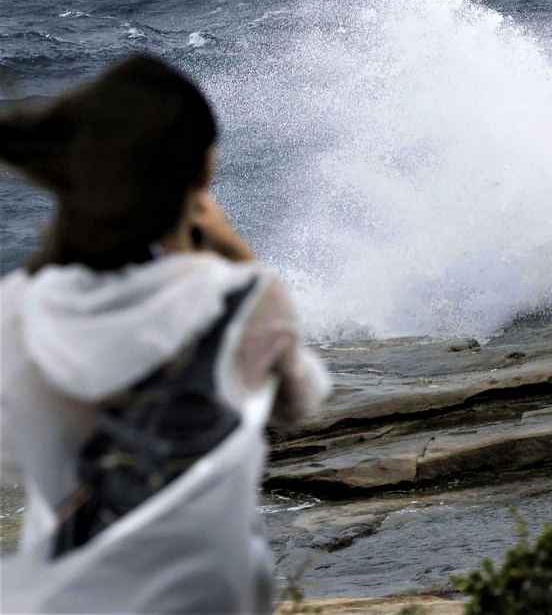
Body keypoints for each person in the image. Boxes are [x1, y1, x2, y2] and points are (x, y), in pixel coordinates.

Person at [0, 56, 331, 613]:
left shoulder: (19, 309)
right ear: (204, 172)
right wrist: (237, 255)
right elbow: (302, 398)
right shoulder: (239, 297)